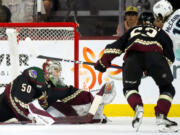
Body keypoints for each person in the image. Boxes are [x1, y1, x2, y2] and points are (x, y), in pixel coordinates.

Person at [94, 11, 178, 132]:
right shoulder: (162, 33)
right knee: (167, 88)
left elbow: (114, 47)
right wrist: (152, 69)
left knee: (129, 88)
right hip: (155, 58)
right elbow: (170, 57)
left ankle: (137, 106)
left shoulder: (132, 30)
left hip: (132, 59)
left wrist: (102, 63)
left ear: (140, 22)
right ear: (153, 21)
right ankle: (161, 116)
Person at [0, 60, 116, 125]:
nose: (58, 74)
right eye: (55, 70)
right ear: (47, 69)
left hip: (20, 111)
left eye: (59, 71)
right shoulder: (34, 73)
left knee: (58, 104)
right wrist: (29, 114)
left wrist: (94, 99)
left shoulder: (56, 86)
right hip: (6, 104)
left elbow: (72, 94)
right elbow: (15, 96)